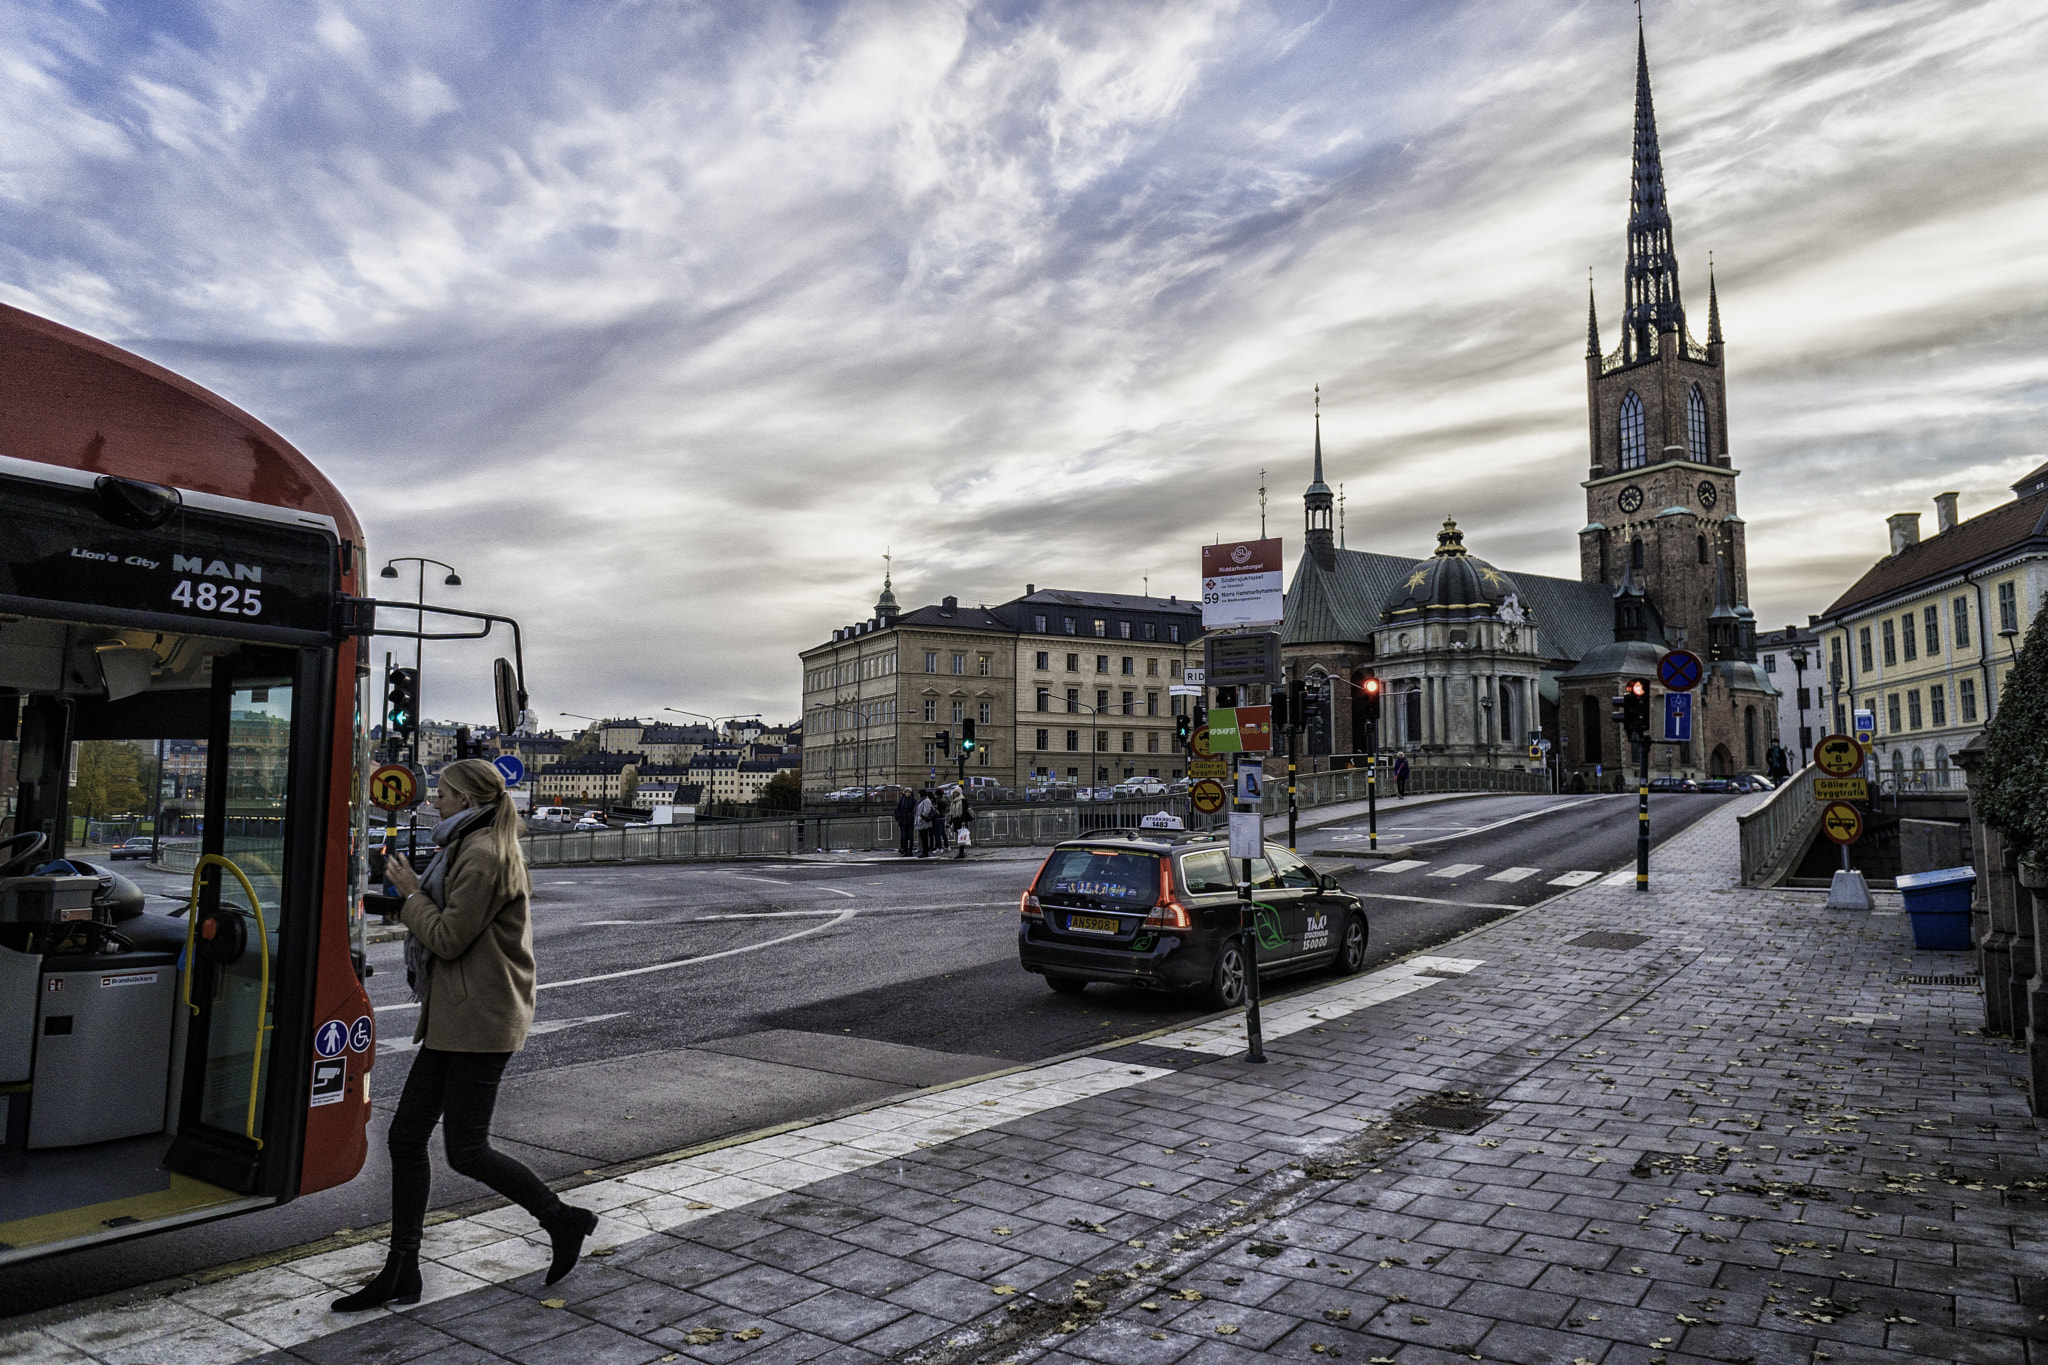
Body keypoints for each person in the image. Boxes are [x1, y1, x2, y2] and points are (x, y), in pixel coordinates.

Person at [333, 758, 596, 1311]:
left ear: (469, 800)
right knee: (406, 1138)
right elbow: (441, 916)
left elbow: (449, 936)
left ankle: (561, 1219)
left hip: (479, 1017)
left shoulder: (482, 855)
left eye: (445, 794)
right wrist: (373, 900)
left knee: (467, 1150)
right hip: (459, 1014)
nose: (435, 802)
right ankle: (403, 1268)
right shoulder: (465, 847)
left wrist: (407, 894)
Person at [893, 788, 917, 857]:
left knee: (910, 836)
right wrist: (900, 816)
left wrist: (912, 816)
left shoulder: (913, 801)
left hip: (910, 821)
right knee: (904, 836)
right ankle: (905, 850)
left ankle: (910, 850)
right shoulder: (902, 800)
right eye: (907, 792)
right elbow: (898, 809)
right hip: (903, 821)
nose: (908, 794)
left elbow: (915, 810)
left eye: (909, 792)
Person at [914, 788, 937, 858]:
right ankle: (924, 851)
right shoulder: (922, 800)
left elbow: (926, 811)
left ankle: (925, 852)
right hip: (921, 821)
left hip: (924, 821)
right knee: (922, 837)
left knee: (924, 837)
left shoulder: (926, 801)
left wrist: (922, 817)